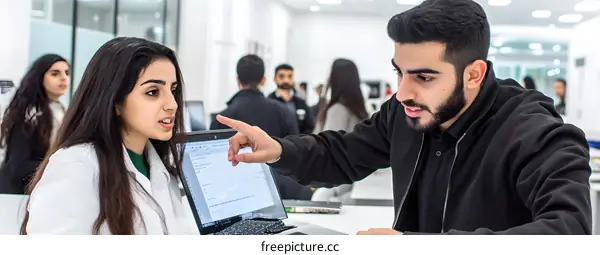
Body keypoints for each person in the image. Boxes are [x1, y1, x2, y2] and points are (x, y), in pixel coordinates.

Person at [216, 0, 591, 235]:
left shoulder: (534, 132)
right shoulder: (408, 111)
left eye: (424, 77)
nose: (405, 92)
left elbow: (567, 230)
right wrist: (279, 149)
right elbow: (343, 153)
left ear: (474, 74)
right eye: (400, 72)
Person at [20, 37, 197, 235]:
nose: (172, 104)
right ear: (115, 101)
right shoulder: (77, 165)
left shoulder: (160, 168)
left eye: (173, 90)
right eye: (153, 92)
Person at [209, 54, 313, 200]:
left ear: (238, 80)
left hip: (239, 196)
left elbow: (216, 167)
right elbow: (297, 152)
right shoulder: (284, 111)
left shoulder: (223, 118)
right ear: (263, 80)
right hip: (286, 194)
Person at [0, 54, 69, 194]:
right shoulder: (28, 116)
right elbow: (19, 166)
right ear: (39, 78)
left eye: (66, 73)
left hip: (42, 192)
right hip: (16, 195)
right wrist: (61, 166)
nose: (64, 78)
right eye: (55, 74)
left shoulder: (62, 110)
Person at [313, 58, 369, 202]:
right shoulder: (358, 111)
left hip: (334, 186)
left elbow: (326, 148)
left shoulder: (338, 110)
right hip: (347, 183)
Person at [268, 64, 315, 134]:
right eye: (281, 76)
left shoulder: (301, 103)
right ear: (275, 79)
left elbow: (309, 126)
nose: (286, 80)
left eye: (290, 76)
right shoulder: (268, 102)